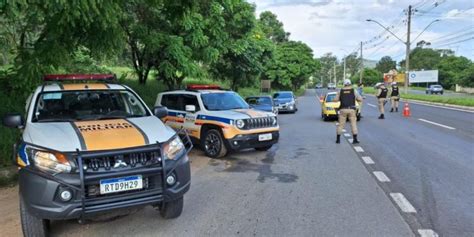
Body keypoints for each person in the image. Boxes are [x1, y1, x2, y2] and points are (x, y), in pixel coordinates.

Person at [334, 79, 363, 144]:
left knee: (341, 125)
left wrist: (341, 98)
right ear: (350, 84)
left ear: (344, 84)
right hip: (352, 109)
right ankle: (355, 139)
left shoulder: (340, 91)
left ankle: (338, 140)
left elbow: (335, 100)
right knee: (353, 124)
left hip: (343, 109)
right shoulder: (354, 91)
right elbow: (360, 99)